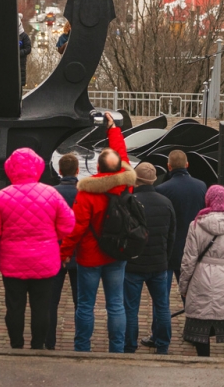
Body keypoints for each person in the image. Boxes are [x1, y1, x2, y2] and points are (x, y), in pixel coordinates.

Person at [59, 113, 137, 353]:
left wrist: (65, 252)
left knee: (85, 305)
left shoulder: (87, 192)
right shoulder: (126, 184)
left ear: (97, 166)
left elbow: (77, 227)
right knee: (115, 305)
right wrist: (113, 129)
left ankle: (82, 347)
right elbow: (122, 156)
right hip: (116, 254)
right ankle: (116, 349)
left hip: (90, 257)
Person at [0, 147, 75, 350]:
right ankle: (38, 345)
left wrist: (4, 241)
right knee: (41, 307)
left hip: (13, 261)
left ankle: (16, 344)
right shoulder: (50, 193)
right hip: (45, 261)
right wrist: (53, 237)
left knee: (14, 307)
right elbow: (69, 223)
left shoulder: (2, 196)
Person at [180, 185, 224, 358]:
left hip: (201, 279)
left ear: (208, 200)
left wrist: (184, 287)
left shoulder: (195, 225)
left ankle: (204, 364)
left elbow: (188, 261)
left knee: (200, 330)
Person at [124, 162, 176, 355]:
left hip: (133, 265)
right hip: (159, 264)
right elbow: (171, 234)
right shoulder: (165, 202)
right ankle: (162, 344)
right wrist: (165, 258)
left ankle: (129, 345)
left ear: (136, 180)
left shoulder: (130, 201)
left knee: (130, 308)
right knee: (162, 306)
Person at [156, 149, 208, 293]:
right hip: (193, 246)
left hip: (169, 249)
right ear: (187, 164)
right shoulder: (201, 186)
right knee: (191, 295)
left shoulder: (161, 189)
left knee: (161, 298)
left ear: (169, 166)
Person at [46, 153, 80, 350]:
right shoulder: (84, 193)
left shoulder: (50, 193)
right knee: (80, 302)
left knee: (51, 301)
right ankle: (80, 342)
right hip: (78, 253)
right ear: (77, 171)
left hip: (54, 252)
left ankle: (48, 341)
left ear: (59, 171)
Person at [17, 14, 32, 88]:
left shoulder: (24, 36)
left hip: (21, 62)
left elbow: (28, 49)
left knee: (19, 84)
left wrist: (18, 53)